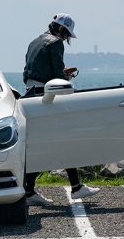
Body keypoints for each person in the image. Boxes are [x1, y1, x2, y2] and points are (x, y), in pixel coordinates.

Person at [22, 13, 100, 205]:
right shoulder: (56, 43)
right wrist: (65, 79)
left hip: (32, 94)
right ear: (60, 29)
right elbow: (56, 74)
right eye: (66, 34)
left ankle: (32, 191)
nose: (66, 38)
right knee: (65, 138)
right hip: (47, 96)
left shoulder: (34, 42)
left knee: (42, 144)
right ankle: (75, 187)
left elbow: (31, 73)